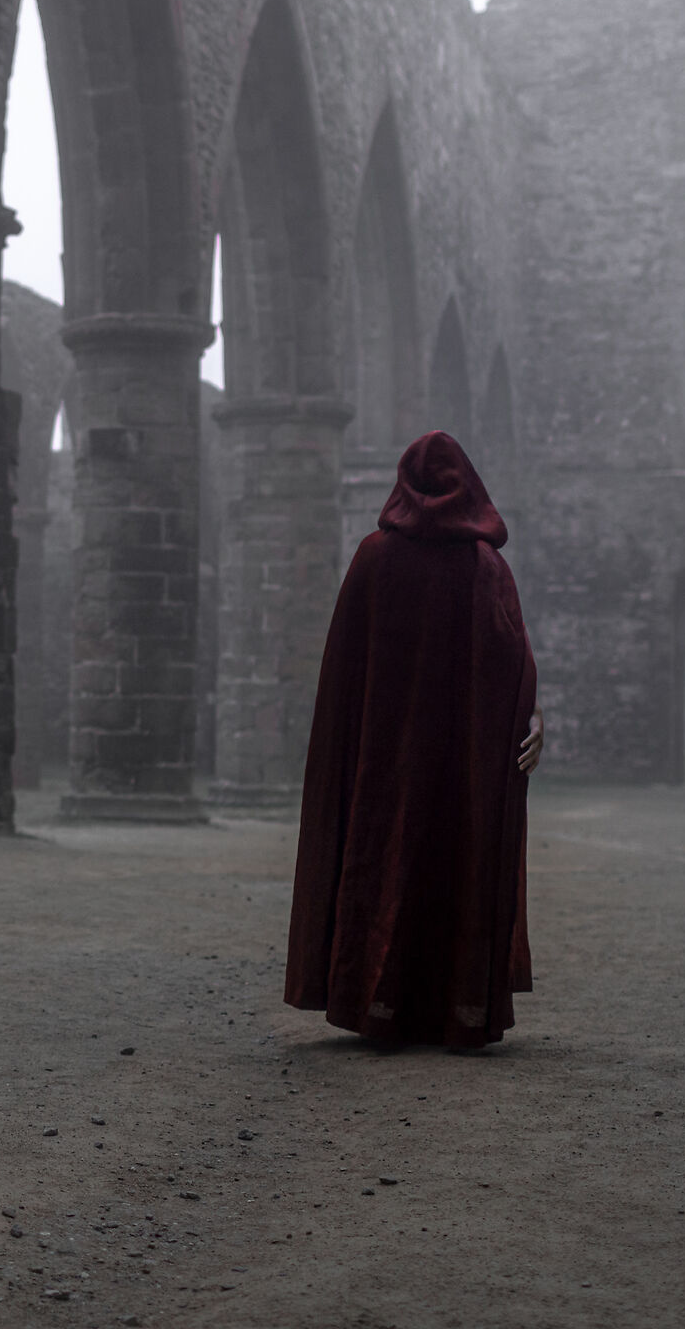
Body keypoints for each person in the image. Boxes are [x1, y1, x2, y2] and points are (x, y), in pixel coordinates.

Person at [283, 430, 542, 1050]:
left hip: (384, 756)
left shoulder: (375, 558)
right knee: (460, 856)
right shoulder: (483, 565)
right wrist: (531, 717)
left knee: (385, 854)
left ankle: (379, 1002)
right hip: (462, 756)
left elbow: (345, 671)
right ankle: (456, 1008)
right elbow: (512, 661)